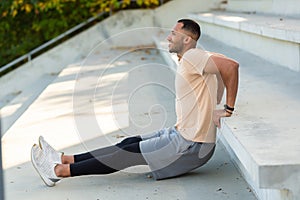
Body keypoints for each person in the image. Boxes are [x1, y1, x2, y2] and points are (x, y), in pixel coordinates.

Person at [31, 19, 239, 187]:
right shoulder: (197, 57)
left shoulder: (194, 56)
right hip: (181, 134)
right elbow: (223, 69)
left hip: (192, 146)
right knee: (127, 143)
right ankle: (65, 158)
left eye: (173, 33)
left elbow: (231, 66)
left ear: (187, 39)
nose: (168, 37)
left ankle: (58, 171)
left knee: (126, 155)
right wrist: (215, 103)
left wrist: (227, 109)